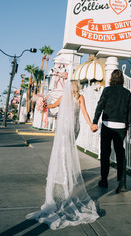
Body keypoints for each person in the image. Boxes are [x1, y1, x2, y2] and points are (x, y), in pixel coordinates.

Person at [26, 80, 99, 230]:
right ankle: (65, 177)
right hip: (73, 128)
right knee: (67, 153)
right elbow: (83, 112)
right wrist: (91, 124)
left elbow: (51, 107)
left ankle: (64, 177)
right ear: (76, 87)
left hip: (66, 128)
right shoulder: (80, 97)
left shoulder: (66, 98)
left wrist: (43, 104)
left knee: (63, 153)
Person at [92, 69, 131, 193]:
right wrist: (127, 127)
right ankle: (122, 183)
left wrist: (95, 121)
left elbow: (100, 106)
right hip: (121, 126)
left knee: (105, 153)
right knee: (120, 154)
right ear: (122, 79)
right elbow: (130, 111)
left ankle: (104, 180)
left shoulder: (107, 90)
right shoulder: (127, 93)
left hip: (107, 125)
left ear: (112, 78)